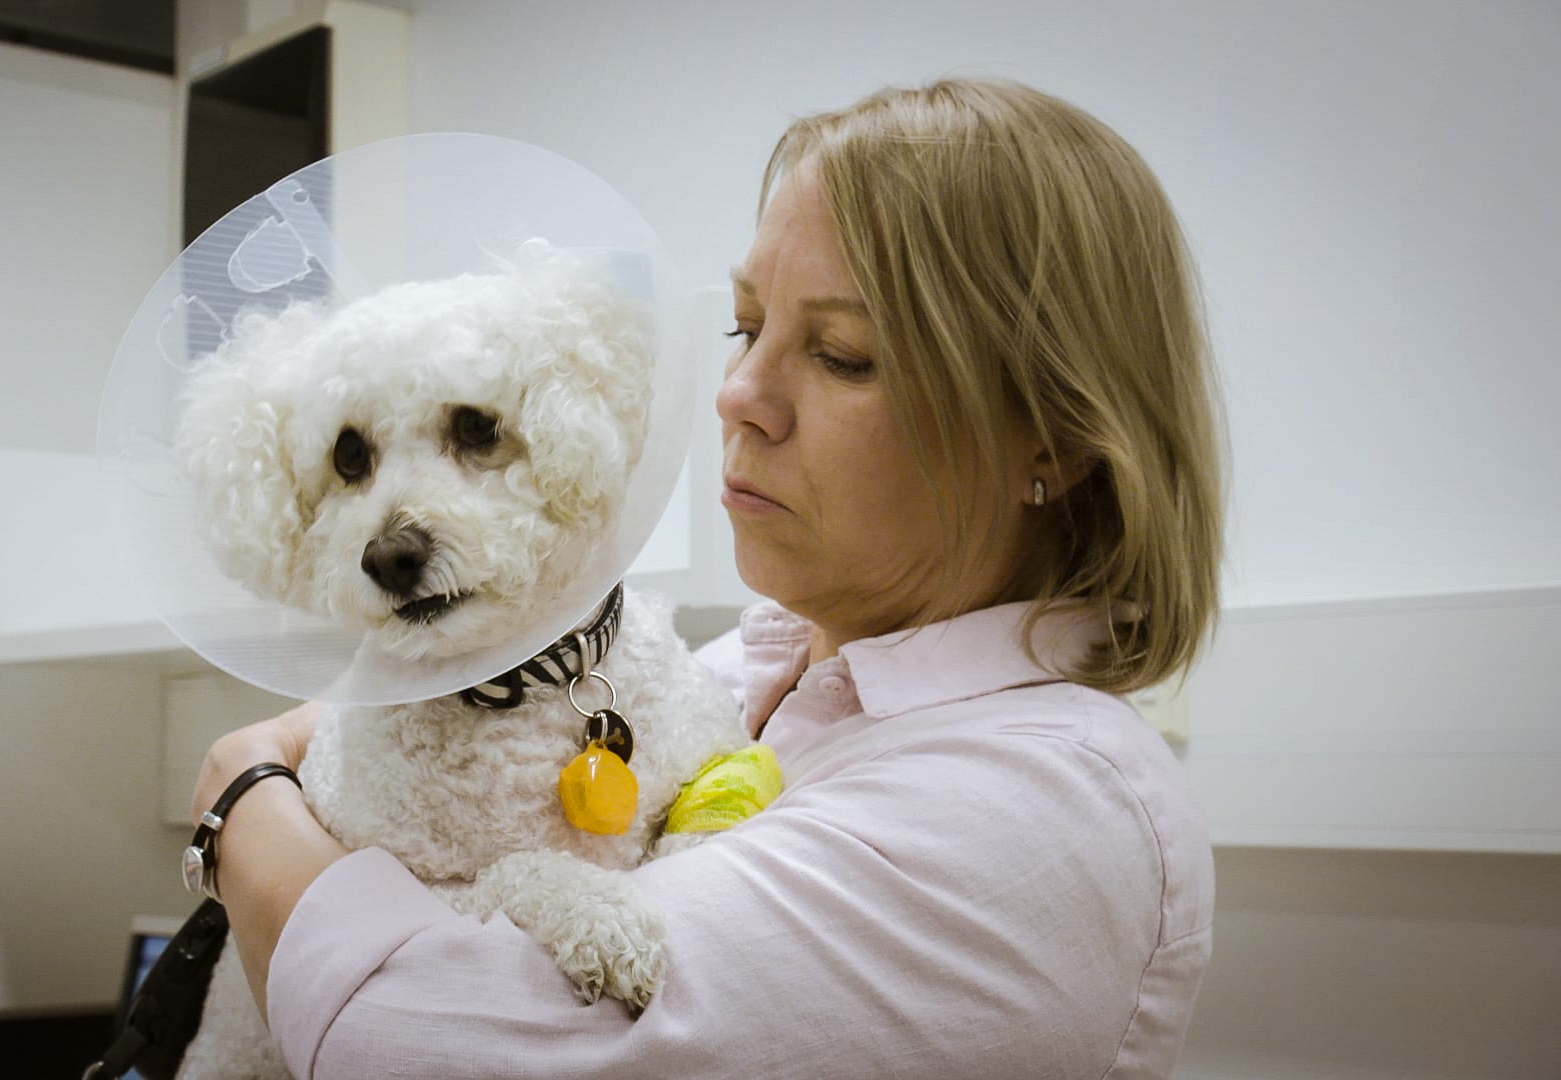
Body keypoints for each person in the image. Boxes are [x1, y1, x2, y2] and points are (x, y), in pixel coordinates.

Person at [192, 77, 1223, 1079]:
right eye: (746, 327)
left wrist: (242, 795)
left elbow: (412, 1042)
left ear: (1053, 436)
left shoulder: (1044, 805)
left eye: (843, 354)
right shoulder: (737, 667)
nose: (738, 395)